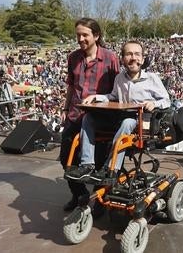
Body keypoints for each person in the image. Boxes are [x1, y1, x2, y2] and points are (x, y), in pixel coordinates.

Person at [65, 40, 170, 182]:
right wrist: (96, 97)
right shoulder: (119, 78)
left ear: (143, 59)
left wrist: (154, 103)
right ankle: (87, 165)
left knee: (127, 122)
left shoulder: (152, 78)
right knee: (88, 119)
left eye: (137, 54)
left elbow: (167, 101)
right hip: (118, 118)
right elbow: (112, 97)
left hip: (140, 122)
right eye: (129, 54)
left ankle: (110, 168)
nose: (133, 57)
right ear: (122, 59)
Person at [59, 18, 119, 212]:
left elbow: (117, 90)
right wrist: (66, 109)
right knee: (65, 158)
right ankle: (79, 194)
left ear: (96, 35)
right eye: (78, 35)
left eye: (85, 34)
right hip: (75, 115)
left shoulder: (111, 58)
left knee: (101, 163)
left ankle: (101, 201)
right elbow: (70, 86)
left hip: (100, 118)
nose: (81, 38)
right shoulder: (73, 58)